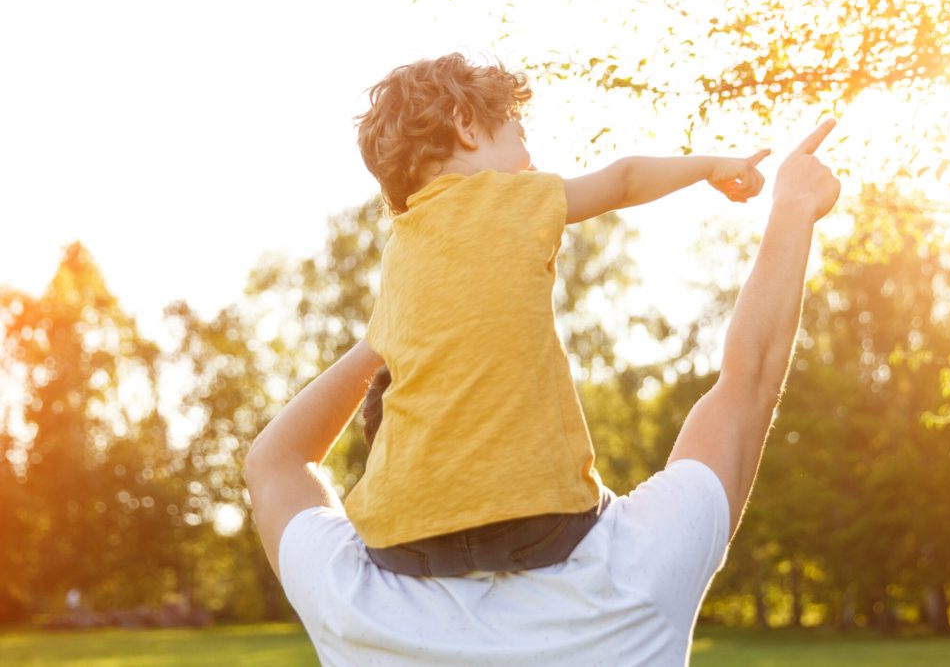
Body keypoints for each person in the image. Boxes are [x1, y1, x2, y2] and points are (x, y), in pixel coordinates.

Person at [243, 114, 841, 665]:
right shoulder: (640, 570)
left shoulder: (350, 602)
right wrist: (792, 207)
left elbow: (275, 462)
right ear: (470, 130)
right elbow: (751, 379)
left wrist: (402, 324)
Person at [344, 52, 772, 576]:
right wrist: (710, 165)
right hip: (537, 520)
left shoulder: (398, 250)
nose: (531, 160)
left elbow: (383, 384)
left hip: (398, 535)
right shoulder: (514, 195)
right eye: (519, 137)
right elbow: (625, 180)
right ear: (466, 126)